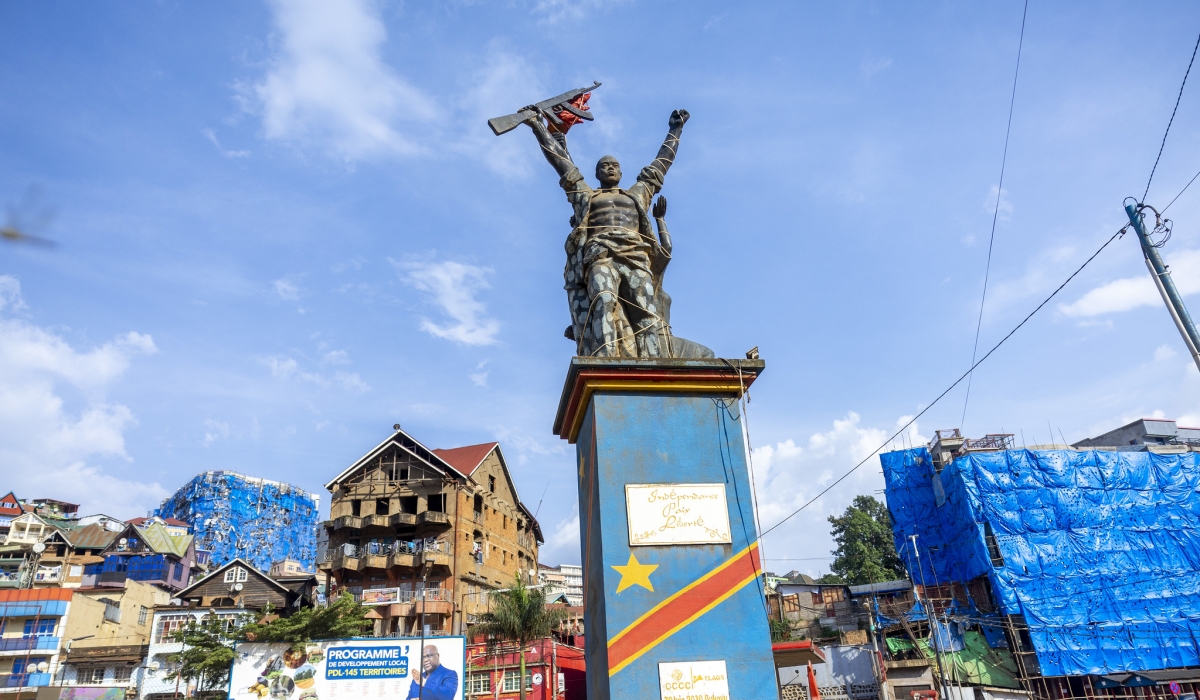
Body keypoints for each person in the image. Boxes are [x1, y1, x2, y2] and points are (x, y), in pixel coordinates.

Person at [526, 108, 689, 358]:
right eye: (604, 166)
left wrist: (675, 130)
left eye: (614, 165)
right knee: (603, 301)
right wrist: (538, 126)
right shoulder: (587, 197)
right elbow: (562, 165)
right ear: (596, 173)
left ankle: (654, 364)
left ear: (622, 173)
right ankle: (605, 359)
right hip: (599, 256)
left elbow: (660, 165)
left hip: (636, 256)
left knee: (645, 313)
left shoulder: (637, 195)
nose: (610, 168)